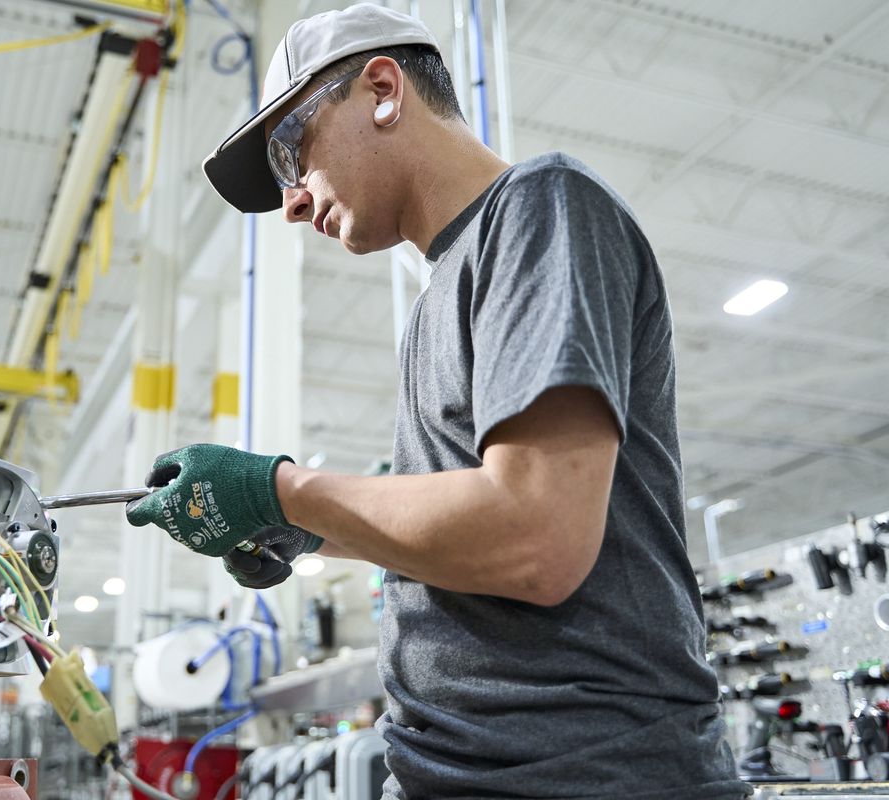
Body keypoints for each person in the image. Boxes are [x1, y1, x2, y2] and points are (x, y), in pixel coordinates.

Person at [126, 4, 748, 798]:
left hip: (584, 773)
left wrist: (282, 488)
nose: (291, 202)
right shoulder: (436, 303)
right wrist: (302, 526)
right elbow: (476, 520)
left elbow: (536, 537)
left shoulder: (542, 207)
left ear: (381, 88)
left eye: (291, 153)